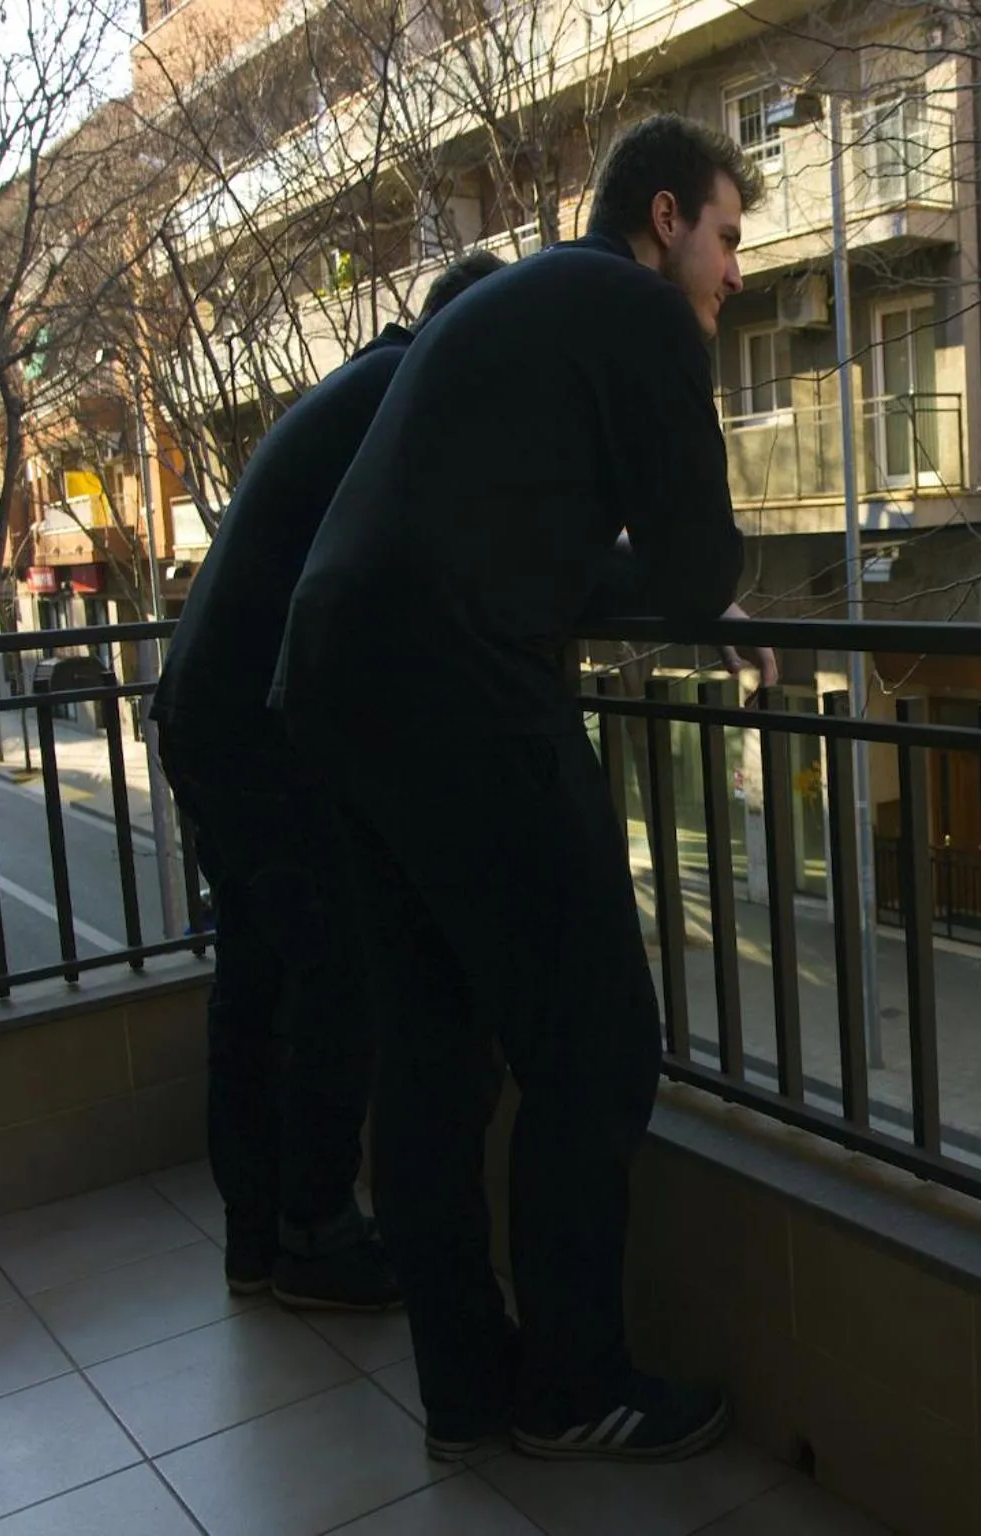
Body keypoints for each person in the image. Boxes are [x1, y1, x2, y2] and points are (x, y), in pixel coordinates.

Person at [274, 114, 766, 1464]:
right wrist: (709, 590)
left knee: (432, 1048)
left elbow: (562, 560)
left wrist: (643, 579)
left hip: (338, 670)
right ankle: (576, 1379)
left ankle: (468, 1385)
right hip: (458, 684)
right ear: (665, 217)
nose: (734, 272)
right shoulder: (636, 312)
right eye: (729, 236)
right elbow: (688, 565)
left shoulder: (526, 304)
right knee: (596, 1040)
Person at [151, 250, 506, 1310]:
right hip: (258, 740)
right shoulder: (399, 405)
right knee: (337, 971)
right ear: (463, 338)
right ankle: (314, 1231)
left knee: (257, 983)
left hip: (209, 715)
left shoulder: (360, 387)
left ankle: (257, 1237)